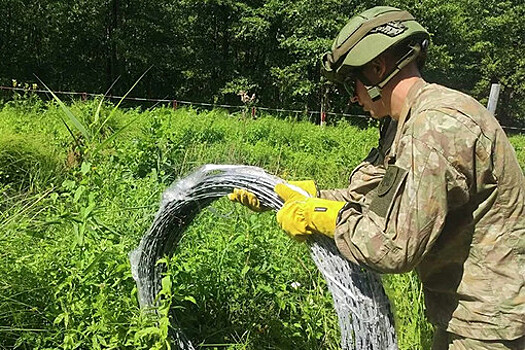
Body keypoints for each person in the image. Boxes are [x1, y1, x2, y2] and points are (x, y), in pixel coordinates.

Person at [229, 6, 525, 349]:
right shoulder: (408, 123)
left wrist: (320, 216)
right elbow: (376, 198)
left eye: (351, 85)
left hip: (489, 327)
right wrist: (297, 195)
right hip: (468, 317)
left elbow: (391, 247)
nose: (353, 98)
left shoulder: (435, 127)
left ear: (377, 69)